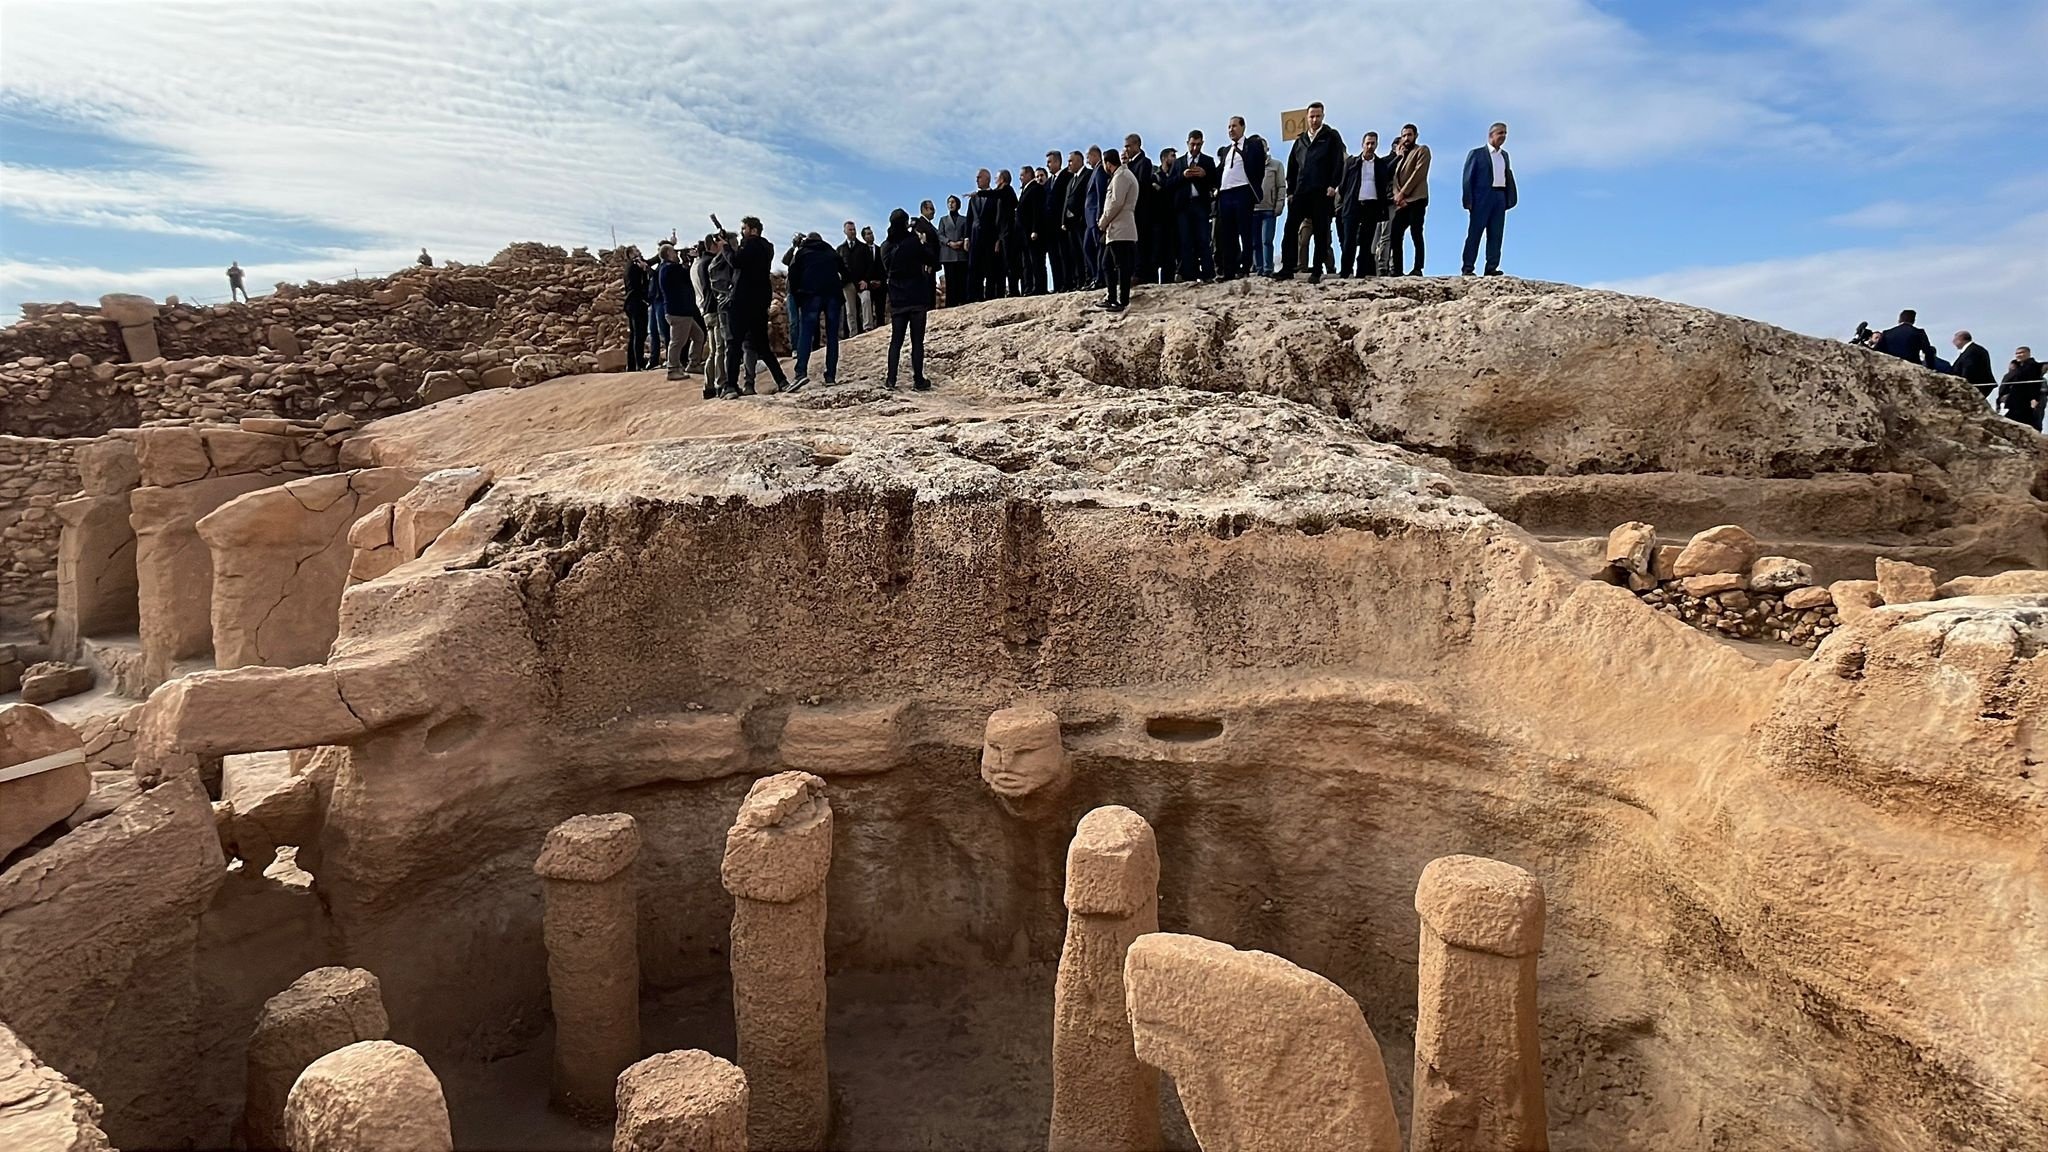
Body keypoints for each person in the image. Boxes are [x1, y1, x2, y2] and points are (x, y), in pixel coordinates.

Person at [717, 216, 792, 398]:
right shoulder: (767, 248)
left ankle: (730, 386)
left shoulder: (750, 245)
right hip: (759, 304)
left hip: (742, 302)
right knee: (763, 347)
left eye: (744, 228)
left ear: (753, 230)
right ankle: (782, 381)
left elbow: (736, 262)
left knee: (734, 345)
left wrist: (725, 247)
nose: (742, 231)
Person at [1277, 101, 1344, 282]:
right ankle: (1287, 268)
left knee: (1321, 233)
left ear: (1323, 116)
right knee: (1290, 229)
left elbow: (1339, 162)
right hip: (1300, 192)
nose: (1314, 120)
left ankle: (1316, 271)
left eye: (1318, 116)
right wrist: (1290, 191)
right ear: (1306, 118)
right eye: (1311, 116)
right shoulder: (1300, 140)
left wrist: (1333, 185)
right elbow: (1292, 166)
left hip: (1322, 192)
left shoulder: (1331, 137)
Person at [880, 208, 935, 391]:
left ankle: (891, 380)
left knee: (896, 341)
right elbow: (931, 260)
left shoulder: (886, 246)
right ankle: (918, 380)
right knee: (917, 341)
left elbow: (886, 267)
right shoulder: (913, 242)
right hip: (917, 297)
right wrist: (923, 243)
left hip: (897, 298)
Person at [787, 231, 844, 389]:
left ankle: (800, 374)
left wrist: (798, 297)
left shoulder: (802, 252)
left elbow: (792, 276)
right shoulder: (830, 251)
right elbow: (845, 270)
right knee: (832, 336)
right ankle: (830, 376)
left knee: (806, 333)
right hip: (833, 294)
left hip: (811, 295)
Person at [1461, 122, 1518, 276]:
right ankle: (1468, 268)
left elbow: (1507, 175)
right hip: (1481, 198)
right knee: (1475, 233)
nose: (1503, 136)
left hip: (1499, 197)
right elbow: (1467, 179)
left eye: (1505, 133)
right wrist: (1468, 200)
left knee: (1496, 234)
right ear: (1491, 135)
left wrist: (1508, 198)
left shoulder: (1504, 155)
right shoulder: (1477, 154)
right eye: (1500, 133)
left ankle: (1491, 267)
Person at [1214, 117, 1267, 281]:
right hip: (1225, 193)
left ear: (1243, 127)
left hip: (1243, 191)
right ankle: (1229, 270)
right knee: (1227, 235)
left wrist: (1253, 190)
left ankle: (1245, 267)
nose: (1231, 129)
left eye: (1234, 126)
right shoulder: (1225, 150)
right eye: (1229, 127)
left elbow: (1258, 168)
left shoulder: (1253, 145)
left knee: (1245, 231)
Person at [1338, 131, 1395, 277]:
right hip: (1353, 205)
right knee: (1349, 241)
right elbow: (1343, 186)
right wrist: (1346, 201)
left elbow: (1384, 184)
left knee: (1366, 242)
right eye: (1367, 143)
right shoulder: (1351, 163)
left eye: (1373, 143)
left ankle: (1361, 273)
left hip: (1372, 206)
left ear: (1376, 145)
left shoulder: (1381, 165)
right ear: (1362, 144)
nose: (1370, 146)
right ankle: (1345, 272)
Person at [1165, 130, 1218, 281]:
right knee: (1185, 240)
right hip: (1183, 206)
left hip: (1200, 205)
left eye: (1198, 145)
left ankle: (1208, 274)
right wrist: (1182, 176)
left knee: (1203, 239)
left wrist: (1204, 175)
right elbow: (1169, 184)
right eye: (1193, 144)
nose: (1195, 148)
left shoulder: (1208, 161)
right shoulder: (1178, 162)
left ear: (1202, 144)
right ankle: (1189, 274)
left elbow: (1215, 182)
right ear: (1187, 143)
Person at [1097, 148, 1140, 312]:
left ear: (1107, 163)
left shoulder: (1121, 176)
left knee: (1121, 266)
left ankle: (1122, 301)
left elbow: (1116, 202)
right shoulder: (1121, 175)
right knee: (1107, 263)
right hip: (1117, 229)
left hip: (1121, 229)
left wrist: (1103, 221)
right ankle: (1111, 297)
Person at [658, 243, 706, 381]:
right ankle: (672, 369)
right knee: (677, 342)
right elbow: (686, 275)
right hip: (678, 312)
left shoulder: (668, 268)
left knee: (699, 336)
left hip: (683, 311)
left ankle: (693, 363)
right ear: (668, 254)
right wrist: (687, 260)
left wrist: (686, 260)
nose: (676, 254)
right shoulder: (669, 269)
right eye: (674, 252)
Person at [1389, 123, 1431, 275]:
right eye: (1404, 135)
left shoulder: (1422, 150)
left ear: (1415, 136)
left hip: (1417, 198)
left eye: (1409, 135)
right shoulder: (1400, 156)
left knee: (1416, 232)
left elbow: (1418, 173)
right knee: (1395, 233)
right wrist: (1397, 195)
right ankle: (1398, 269)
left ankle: (1417, 268)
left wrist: (1404, 193)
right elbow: (1394, 177)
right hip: (1402, 202)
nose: (1406, 138)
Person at [693, 233, 731, 399]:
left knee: (713, 350)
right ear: (714, 245)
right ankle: (720, 383)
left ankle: (708, 385)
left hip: (705, 310)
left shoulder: (698, 263)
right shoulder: (711, 262)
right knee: (720, 349)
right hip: (715, 309)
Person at [1118, 138, 1158, 285]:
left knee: (1142, 243)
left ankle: (1141, 273)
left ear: (1137, 145)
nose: (1126, 149)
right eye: (1125, 147)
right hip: (1131, 211)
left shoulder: (1144, 162)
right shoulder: (1129, 164)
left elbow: (1139, 184)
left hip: (1141, 209)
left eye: (1128, 146)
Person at [968, 168, 1010, 302]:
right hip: (975, 239)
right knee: (975, 270)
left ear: (987, 179)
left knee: (990, 270)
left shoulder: (995, 196)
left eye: (979, 177)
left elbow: (999, 218)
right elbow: (970, 219)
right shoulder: (973, 198)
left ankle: (990, 297)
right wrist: (966, 238)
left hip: (990, 239)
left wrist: (998, 238)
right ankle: (975, 298)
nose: (977, 180)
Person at [837, 221, 879, 334]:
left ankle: (868, 327)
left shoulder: (863, 247)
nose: (852, 232)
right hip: (847, 283)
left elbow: (870, 265)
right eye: (850, 230)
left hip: (862, 282)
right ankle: (853, 332)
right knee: (850, 309)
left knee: (866, 300)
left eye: (854, 229)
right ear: (845, 231)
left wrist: (866, 280)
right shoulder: (840, 249)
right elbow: (838, 267)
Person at [1044, 151, 1073, 292]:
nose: (1047, 165)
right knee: (1053, 257)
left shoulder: (1067, 176)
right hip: (1049, 227)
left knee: (1065, 254)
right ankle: (1057, 285)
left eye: (1049, 162)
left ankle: (1068, 283)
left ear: (1057, 162)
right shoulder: (1048, 182)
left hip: (1061, 223)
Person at [1254, 138, 1283, 276]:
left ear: (1267, 148)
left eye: (1263, 146)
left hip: (1269, 209)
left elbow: (1281, 186)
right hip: (1253, 209)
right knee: (1256, 242)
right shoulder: (1249, 165)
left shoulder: (1276, 165)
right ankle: (1258, 269)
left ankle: (1268, 269)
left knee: (1267, 240)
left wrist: (1279, 204)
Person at [1016, 168, 1048, 295]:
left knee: (1036, 261)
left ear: (1029, 175)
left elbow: (1037, 211)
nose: (1020, 178)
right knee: (1028, 262)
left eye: (1022, 175)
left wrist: (1035, 229)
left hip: (1033, 232)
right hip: (1024, 233)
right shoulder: (1025, 190)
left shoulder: (1036, 189)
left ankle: (1039, 287)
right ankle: (1029, 287)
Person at [1061, 150, 1090, 293]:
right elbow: (1066, 201)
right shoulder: (1071, 180)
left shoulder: (1088, 174)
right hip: (1070, 223)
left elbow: (1087, 197)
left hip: (1081, 221)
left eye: (1071, 161)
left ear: (1079, 161)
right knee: (1075, 253)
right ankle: (1079, 281)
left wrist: (1080, 216)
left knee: (1085, 251)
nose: (1069, 164)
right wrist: (1063, 221)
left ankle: (1089, 278)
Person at [936, 195, 971, 305]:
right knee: (950, 281)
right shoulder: (943, 220)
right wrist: (949, 242)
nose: (951, 204)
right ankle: (951, 303)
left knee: (962, 280)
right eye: (949, 202)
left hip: (961, 254)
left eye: (953, 202)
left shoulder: (964, 220)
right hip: (948, 254)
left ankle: (963, 301)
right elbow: (940, 235)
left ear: (958, 204)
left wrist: (960, 242)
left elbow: (967, 233)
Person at [1082, 146, 1109, 289]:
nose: (1087, 160)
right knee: (1087, 247)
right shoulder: (1094, 171)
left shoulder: (1100, 171)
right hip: (1089, 219)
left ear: (1094, 155)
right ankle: (1095, 276)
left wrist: (1100, 216)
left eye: (1088, 157)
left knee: (1098, 248)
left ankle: (1100, 278)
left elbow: (1101, 194)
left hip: (1095, 217)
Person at [994, 169, 1024, 297]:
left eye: (997, 178)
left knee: (1011, 263)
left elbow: (994, 194)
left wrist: (978, 193)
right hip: (1003, 233)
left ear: (1002, 179)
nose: (995, 180)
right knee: (1005, 264)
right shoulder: (1002, 193)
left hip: (1009, 233)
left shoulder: (1007, 190)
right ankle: (1009, 291)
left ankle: (1014, 290)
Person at [1998, 347, 2043, 430]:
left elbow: (2034, 383)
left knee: (2026, 422)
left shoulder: (2033, 366)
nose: (2018, 355)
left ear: (2028, 354)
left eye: (2021, 353)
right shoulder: (2017, 368)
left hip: (2025, 400)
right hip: (2014, 400)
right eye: (2017, 353)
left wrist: (2034, 398)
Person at [1153, 147, 1179, 282]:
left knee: (1171, 255)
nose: (1174, 159)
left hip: (1173, 220)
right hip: (1159, 221)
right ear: (1164, 158)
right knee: (1158, 254)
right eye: (1172, 156)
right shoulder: (1155, 176)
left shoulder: (1175, 176)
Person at [621, 249, 650, 371]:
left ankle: (631, 365)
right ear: (631, 254)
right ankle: (640, 364)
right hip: (637, 302)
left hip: (630, 303)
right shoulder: (635, 264)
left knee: (634, 334)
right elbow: (650, 263)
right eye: (637, 251)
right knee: (640, 334)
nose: (640, 252)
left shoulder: (628, 267)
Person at [1951, 330, 1995, 399]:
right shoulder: (1973, 350)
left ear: (1960, 339)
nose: (1953, 342)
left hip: (1974, 388)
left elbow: (1968, 370)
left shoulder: (1971, 352)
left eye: (1955, 339)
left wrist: (1963, 385)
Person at [645, 242, 668, 367]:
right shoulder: (659, 264)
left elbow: (658, 277)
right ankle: (653, 359)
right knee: (653, 331)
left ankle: (671, 357)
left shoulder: (665, 266)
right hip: (653, 301)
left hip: (660, 300)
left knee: (664, 330)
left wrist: (648, 270)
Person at [860, 225, 886, 326]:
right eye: (868, 234)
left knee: (881, 311)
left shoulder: (880, 250)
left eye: (871, 233)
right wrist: (867, 281)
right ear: (864, 237)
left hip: (880, 284)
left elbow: (884, 267)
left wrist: (881, 281)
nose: (871, 235)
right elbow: (861, 268)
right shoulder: (861, 251)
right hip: (868, 284)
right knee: (867, 309)